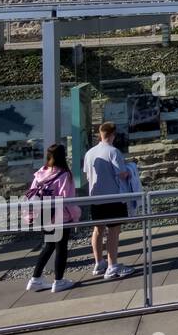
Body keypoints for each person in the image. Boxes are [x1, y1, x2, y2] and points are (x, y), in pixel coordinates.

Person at [24, 143, 81, 294]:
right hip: (61, 217)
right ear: (63, 157)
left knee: (48, 246)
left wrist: (30, 215)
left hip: (44, 216)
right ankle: (59, 281)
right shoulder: (64, 175)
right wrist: (76, 216)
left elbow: (31, 195)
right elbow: (68, 200)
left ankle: (35, 279)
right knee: (61, 248)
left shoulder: (39, 174)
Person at [83, 122, 134, 279]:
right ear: (113, 134)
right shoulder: (114, 152)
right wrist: (131, 170)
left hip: (96, 197)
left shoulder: (90, 153)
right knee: (114, 230)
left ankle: (99, 262)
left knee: (98, 229)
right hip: (113, 197)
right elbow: (122, 173)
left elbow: (86, 173)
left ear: (100, 133)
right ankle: (113, 265)